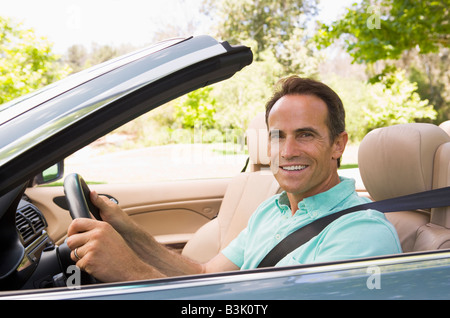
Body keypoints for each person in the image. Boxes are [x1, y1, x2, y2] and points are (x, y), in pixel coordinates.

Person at [67, 76, 402, 282]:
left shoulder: (362, 235)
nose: (287, 151)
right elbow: (205, 276)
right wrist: (128, 231)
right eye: (277, 136)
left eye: (305, 135)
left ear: (338, 145)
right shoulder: (272, 210)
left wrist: (131, 273)